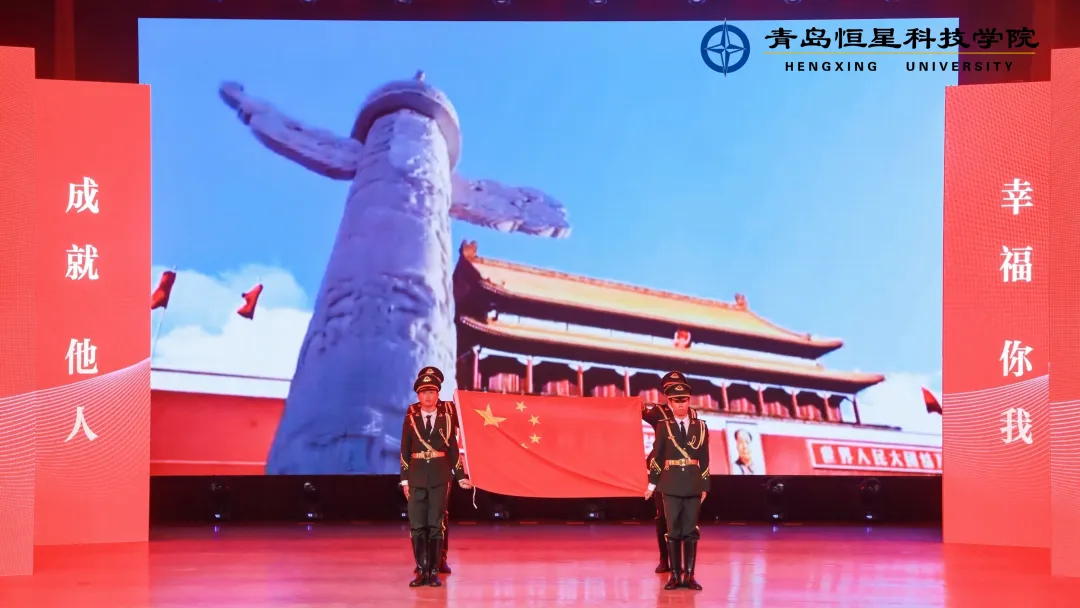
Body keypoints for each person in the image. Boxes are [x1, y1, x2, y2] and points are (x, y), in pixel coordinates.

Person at [400, 372, 472, 587]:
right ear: (418, 396)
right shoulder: (411, 418)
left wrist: (460, 476)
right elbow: (405, 450)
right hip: (416, 475)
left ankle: (433, 572)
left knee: (435, 524)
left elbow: (453, 450)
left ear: (438, 394)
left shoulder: (447, 418)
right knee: (417, 526)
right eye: (424, 393)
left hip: (440, 475)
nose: (428, 396)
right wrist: (404, 480)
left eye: (431, 392)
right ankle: (421, 571)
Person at [645, 381, 710, 591]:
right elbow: (657, 457)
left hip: (692, 483)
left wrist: (705, 485)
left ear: (689, 401)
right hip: (670, 483)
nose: (680, 405)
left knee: (691, 531)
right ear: (670, 403)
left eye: (684, 401)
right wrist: (652, 484)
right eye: (676, 401)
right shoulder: (664, 427)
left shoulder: (701, 426)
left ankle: (689, 576)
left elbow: (704, 458)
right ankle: (674, 576)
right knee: (673, 531)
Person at [641, 371, 698, 574]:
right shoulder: (657, 411)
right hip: (662, 471)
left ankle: (678, 561)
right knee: (663, 517)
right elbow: (636, 413)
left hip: (684, 470)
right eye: (670, 389)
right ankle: (664, 559)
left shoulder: (692, 414)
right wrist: (637, 406)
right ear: (665, 393)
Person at [411, 366, 456, 575]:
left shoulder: (450, 408)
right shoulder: (413, 410)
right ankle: (422, 562)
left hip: (441, 468)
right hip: (420, 471)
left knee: (440, 516)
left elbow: (457, 433)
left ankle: (440, 559)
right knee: (419, 518)